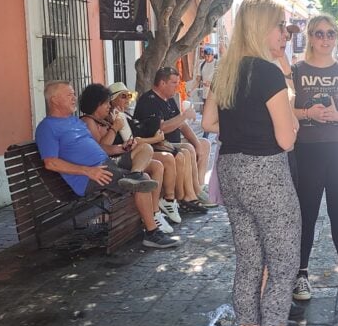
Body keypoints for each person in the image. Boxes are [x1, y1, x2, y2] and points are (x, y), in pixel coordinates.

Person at [201, 0, 319, 326]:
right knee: (284, 266)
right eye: (279, 26)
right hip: (266, 173)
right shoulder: (267, 74)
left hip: (232, 171)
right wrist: (288, 124)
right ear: (260, 28)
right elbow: (287, 139)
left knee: (249, 264)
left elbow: (209, 122)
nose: (285, 34)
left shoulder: (225, 71)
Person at [35, 81, 179, 249]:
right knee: (143, 181)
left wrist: (121, 148)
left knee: (144, 149)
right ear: (54, 100)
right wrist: (88, 171)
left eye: (74, 94)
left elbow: (97, 147)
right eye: (69, 94)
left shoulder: (74, 122)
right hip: (90, 176)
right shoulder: (47, 127)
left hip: (106, 164)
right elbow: (50, 162)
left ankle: (134, 175)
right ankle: (152, 233)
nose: (74, 98)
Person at [291, 14, 338, 300]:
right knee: (305, 212)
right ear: (310, 36)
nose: (325, 39)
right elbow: (283, 110)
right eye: (319, 33)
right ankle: (301, 274)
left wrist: (337, 115)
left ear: (337, 37)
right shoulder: (294, 72)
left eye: (331, 33)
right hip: (306, 149)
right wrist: (308, 113)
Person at [134, 68, 213, 214]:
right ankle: (190, 195)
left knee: (204, 144)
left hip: (173, 142)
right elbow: (162, 128)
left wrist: (197, 144)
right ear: (162, 83)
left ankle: (199, 186)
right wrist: (184, 116)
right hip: (157, 144)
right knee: (187, 150)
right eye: (174, 83)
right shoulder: (149, 101)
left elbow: (182, 125)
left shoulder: (169, 99)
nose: (177, 86)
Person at [103, 82, 178, 232]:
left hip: (131, 153)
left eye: (129, 95)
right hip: (123, 157)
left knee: (161, 162)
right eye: (123, 96)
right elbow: (131, 142)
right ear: (113, 100)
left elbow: (132, 140)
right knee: (161, 161)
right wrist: (154, 140)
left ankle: (159, 208)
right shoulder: (115, 117)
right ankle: (158, 207)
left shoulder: (123, 115)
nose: (127, 99)